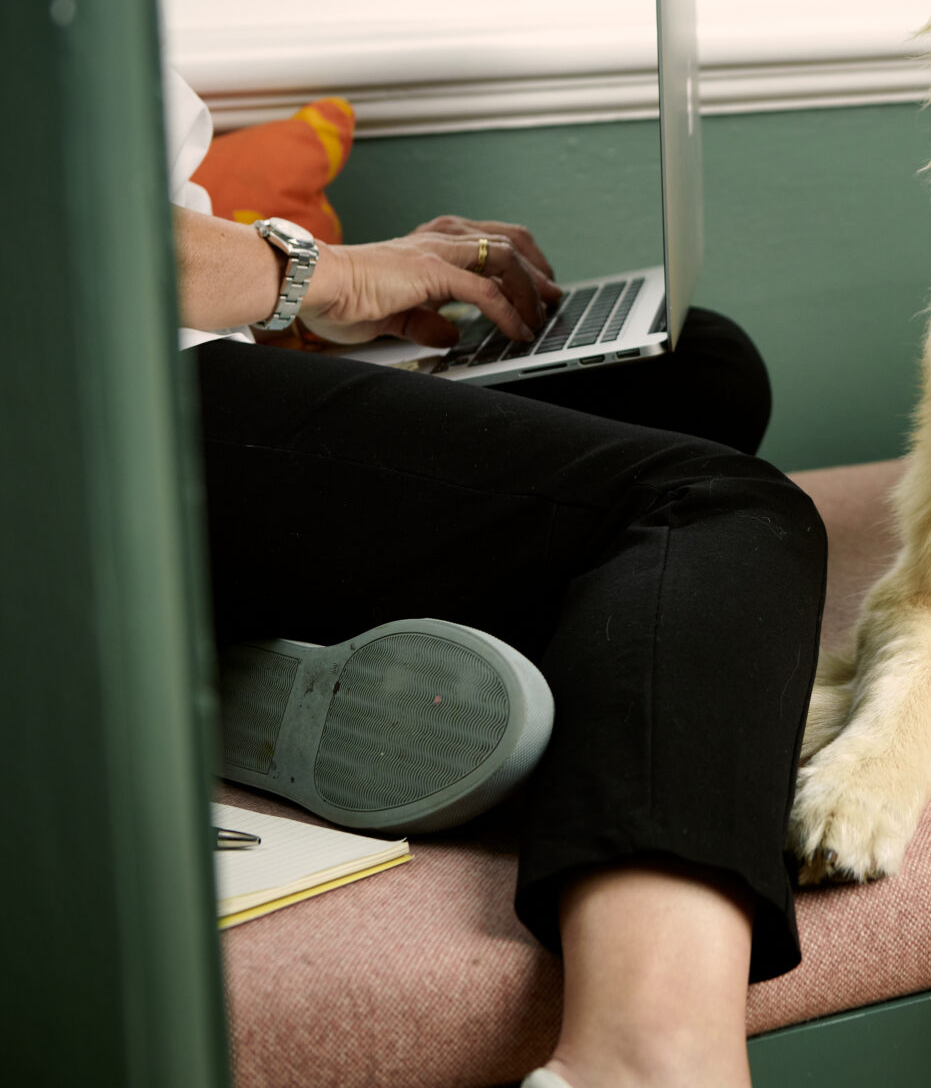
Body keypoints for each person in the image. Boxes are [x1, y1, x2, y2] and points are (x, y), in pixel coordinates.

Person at [166, 72, 824, 1088]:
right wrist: (327, 273)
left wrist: (309, 314)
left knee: (697, 365)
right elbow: (47, 242)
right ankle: (644, 1058)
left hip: (192, 338)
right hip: (88, 419)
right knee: (717, 507)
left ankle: (235, 655)